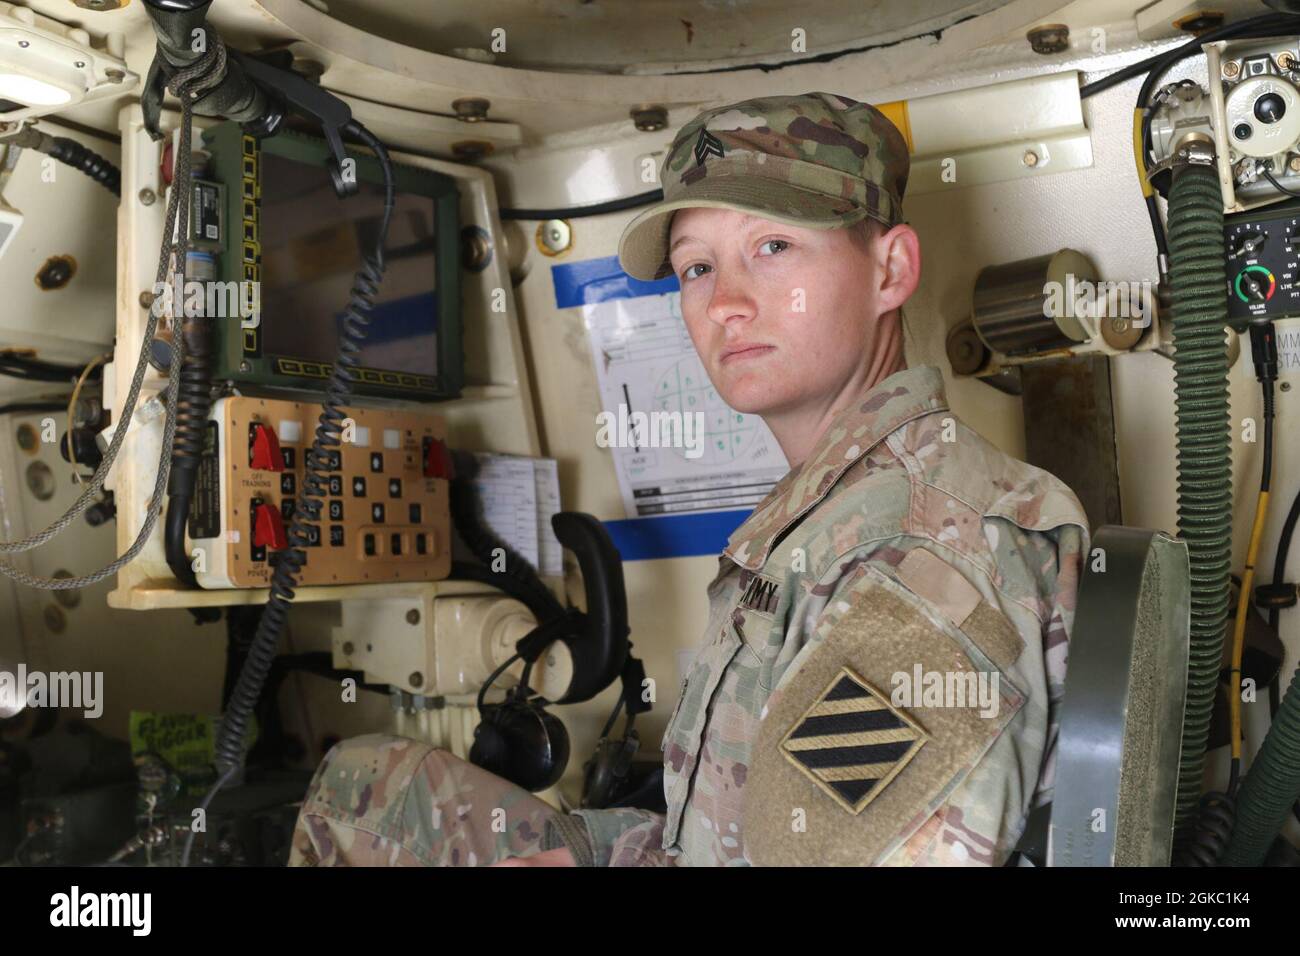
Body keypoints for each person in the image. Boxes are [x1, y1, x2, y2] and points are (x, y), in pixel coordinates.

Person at [289, 91, 1089, 868]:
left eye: (773, 248)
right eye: (696, 268)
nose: (727, 304)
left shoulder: (922, 556)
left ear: (891, 269)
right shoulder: (836, 510)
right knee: (364, 789)